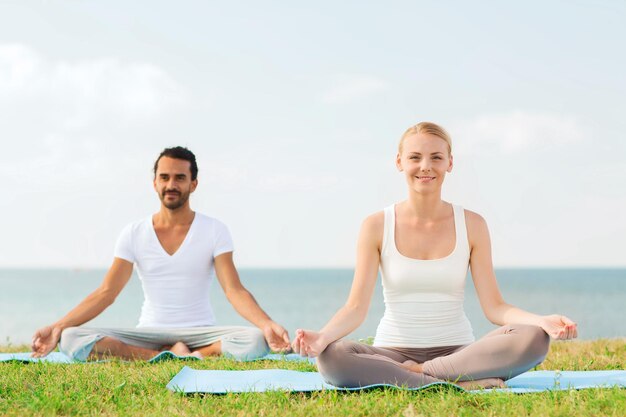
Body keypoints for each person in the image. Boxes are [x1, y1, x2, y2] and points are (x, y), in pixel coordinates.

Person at [292, 122, 578, 389]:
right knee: (332, 358)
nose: (425, 167)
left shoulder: (472, 224)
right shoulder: (376, 225)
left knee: (534, 339)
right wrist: (323, 337)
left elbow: (495, 307)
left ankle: (420, 378)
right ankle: (455, 382)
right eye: (415, 157)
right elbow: (355, 308)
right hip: (391, 352)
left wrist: (540, 320)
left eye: (436, 158)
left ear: (450, 163)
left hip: (459, 352)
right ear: (399, 162)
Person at [31, 146, 291, 361]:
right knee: (70, 338)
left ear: (194, 184)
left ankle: (193, 353)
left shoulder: (214, 230)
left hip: (202, 331)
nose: (171, 185)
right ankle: (162, 354)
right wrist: (57, 327)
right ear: (155, 183)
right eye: (164, 177)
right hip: (148, 331)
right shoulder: (133, 232)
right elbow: (106, 293)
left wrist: (267, 324)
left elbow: (234, 290)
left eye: (180, 178)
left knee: (256, 339)